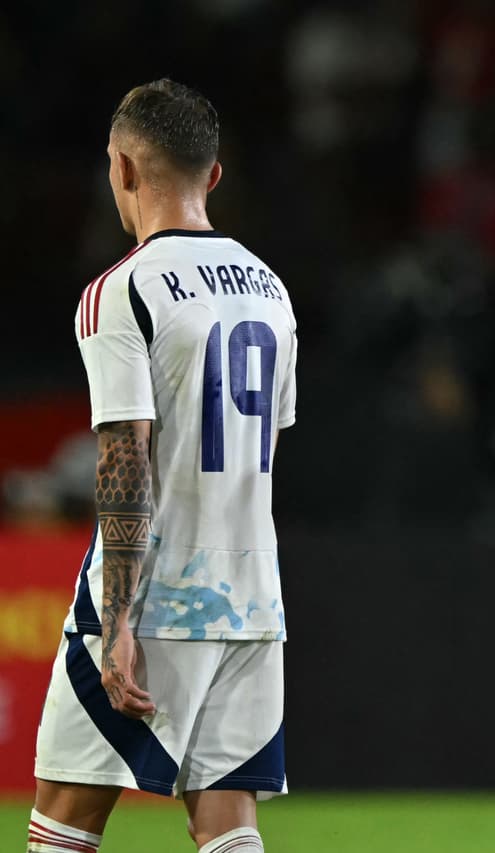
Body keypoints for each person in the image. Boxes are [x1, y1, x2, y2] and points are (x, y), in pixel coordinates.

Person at [29, 79, 298, 853]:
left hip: (158, 595)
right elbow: (267, 451)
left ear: (120, 168)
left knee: (64, 819)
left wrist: (117, 619)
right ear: (214, 175)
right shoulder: (272, 292)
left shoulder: (120, 291)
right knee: (226, 821)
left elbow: (126, 457)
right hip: (252, 595)